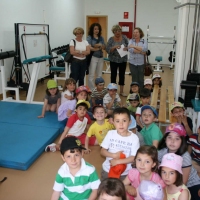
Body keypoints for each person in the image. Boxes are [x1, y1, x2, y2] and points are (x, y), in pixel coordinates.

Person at [158, 123, 200, 200]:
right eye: (169, 137)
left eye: (177, 138)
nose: (172, 141)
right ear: (165, 139)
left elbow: (184, 181)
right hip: (170, 181)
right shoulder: (162, 153)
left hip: (190, 183)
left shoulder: (185, 156)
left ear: (182, 141)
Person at [100, 107, 140, 181]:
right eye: (117, 121)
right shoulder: (110, 134)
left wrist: (117, 161)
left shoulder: (134, 138)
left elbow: (133, 158)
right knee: (105, 190)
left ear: (129, 122)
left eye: (124, 121)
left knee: (120, 191)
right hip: (107, 170)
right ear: (113, 122)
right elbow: (102, 151)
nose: (121, 124)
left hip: (125, 173)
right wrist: (114, 155)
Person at [106, 24, 129, 97]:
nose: (117, 32)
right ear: (113, 32)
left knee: (122, 75)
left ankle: (121, 91)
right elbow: (107, 50)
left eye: (119, 31)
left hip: (123, 59)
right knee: (113, 75)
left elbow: (129, 47)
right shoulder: (111, 39)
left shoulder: (124, 38)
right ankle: (113, 91)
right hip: (113, 59)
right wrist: (114, 47)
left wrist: (126, 48)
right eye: (116, 31)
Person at [87, 23, 106, 90]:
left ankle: (99, 88)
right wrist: (98, 47)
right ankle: (91, 89)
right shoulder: (89, 37)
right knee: (91, 74)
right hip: (93, 57)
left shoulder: (101, 38)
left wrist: (97, 46)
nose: (96, 30)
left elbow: (104, 47)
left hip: (100, 57)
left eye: (97, 29)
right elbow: (89, 47)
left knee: (99, 74)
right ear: (92, 29)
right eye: (95, 29)